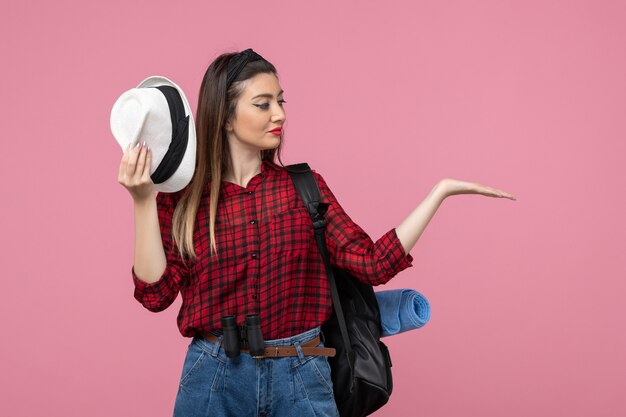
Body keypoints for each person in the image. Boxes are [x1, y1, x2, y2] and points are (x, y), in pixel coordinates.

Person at [117, 48, 516, 417]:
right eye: (263, 104)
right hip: (213, 379)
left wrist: (439, 192)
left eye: (280, 101)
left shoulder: (304, 188)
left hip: (301, 373)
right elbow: (155, 295)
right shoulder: (184, 199)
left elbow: (372, 264)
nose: (280, 115)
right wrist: (142, 201)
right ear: (224, 116)